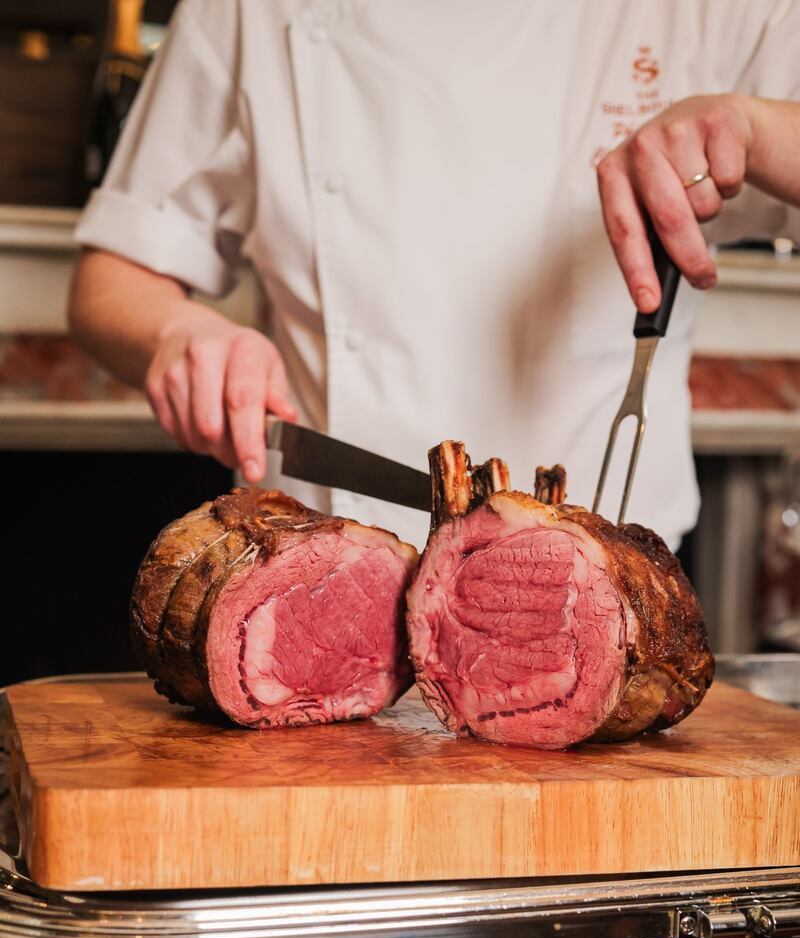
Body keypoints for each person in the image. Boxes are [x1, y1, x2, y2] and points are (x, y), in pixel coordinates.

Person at [68, 0, 800, 550]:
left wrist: (757, 129)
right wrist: (179, 329)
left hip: (605, 598)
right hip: (320, 572)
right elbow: (112, 278)